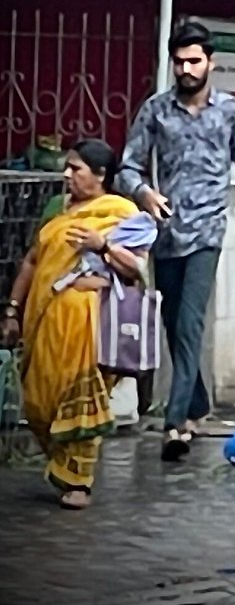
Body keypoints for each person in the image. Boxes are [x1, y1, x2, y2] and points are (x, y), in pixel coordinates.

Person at [117, 19, 235, 462]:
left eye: (194, 61)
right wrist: (143, 193)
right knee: (173, 322)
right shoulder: (156, 111)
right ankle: (198, 402)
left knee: (190, 321)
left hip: (208, 233)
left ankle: (176, 424)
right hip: (166, 233)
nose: (187, 69)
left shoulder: (232, 113)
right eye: (180, 62)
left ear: (211, 62)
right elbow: (127, 166)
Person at [0, 141, 148, 507]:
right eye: (67, 167)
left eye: (76, 168)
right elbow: (33, 261)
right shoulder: (57, 208)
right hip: (45, 320)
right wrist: (12, 310)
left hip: (88, 322)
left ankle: (78, 481)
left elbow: (136, 269)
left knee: (80, 399)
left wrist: (103, 246)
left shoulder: (121, 211)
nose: (67, 174)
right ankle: (60, 464)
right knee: (38, 403)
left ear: (100, 175)